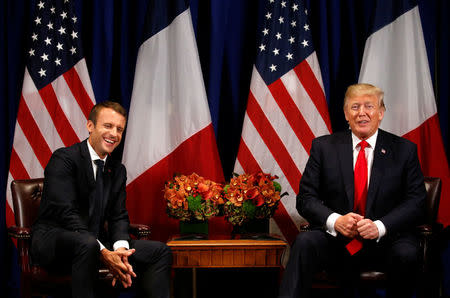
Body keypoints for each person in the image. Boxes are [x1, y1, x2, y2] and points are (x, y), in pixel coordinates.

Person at [278, 84, 427, 298]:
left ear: (381, 113)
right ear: (346, 114)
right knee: (304, 242)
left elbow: (416, 202)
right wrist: (335, 220)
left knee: (408, 252)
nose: (362, 113)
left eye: (369, 106)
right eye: (355, 107)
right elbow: (306, 199)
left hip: (386, 241)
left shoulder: (404, 150)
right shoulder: (323, 147)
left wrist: (380, 226)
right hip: (337, 241)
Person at [31, 101, 172, 298]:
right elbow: (66, 213)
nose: (114, 134)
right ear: (90, 126)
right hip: (54, 243)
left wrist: (120, 250)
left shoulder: (117, 170)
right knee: (87, 244)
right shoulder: (64, 159)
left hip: (95, 243)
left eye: (119, 129)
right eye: (108, 126)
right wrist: (104, 251)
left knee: (159, 251)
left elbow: (118, 215)